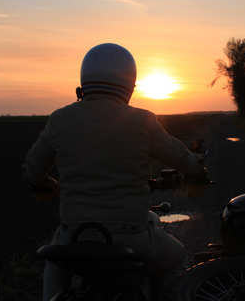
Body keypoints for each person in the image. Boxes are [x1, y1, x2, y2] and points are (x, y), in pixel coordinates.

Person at [22, 43, 208, 301]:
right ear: (130, 84)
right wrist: (198, 171)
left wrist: (49, 184)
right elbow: (182, 159)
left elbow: (32, 172)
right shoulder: (142, 121)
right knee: (176, 257)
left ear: (84, 82)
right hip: (130, 239)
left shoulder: (60, 119)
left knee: (55, 260)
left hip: (73, 235)